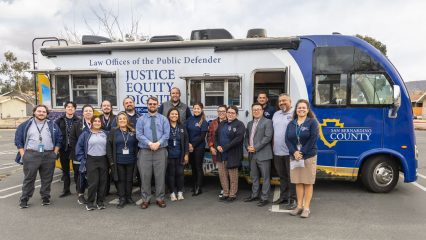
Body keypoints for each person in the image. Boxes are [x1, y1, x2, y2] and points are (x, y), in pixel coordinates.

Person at [15, 105, 62, 208]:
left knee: (47, 178)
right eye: (39, 111)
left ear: (47, 114)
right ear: (34, 112)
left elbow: (59, 139)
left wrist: (55, 153)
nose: (41, 113)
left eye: (44, 112)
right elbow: (18, 140)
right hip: (31, 154)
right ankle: (24, 199)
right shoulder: (25, 125)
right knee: (29, 178)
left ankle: (45, 197)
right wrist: (24, 154)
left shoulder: (52, 125)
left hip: (49, 155)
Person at [285, 99, 319, 218]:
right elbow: (287, 139)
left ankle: (306, 208)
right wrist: (294, 152)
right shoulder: (291, 123)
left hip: (308, 156)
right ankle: (299, 206)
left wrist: (302, 152)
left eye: (304, 108)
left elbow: (313, 139)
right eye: (299, 108)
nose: (301, 109)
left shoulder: (312, 122)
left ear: (308, 110)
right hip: (295, 157)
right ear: (296, 110)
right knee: (298, 182)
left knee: (308, 182)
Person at [136, 97, 170, 209]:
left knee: (160, 176)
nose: (152, 105)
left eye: (154, 104)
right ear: (147, 105)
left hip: (160, 151)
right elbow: (139, 134)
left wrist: (158, 143)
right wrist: (150, 143)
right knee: (145, 176)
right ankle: (146, 199)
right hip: (145, 151)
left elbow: (166, 134)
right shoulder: (141, 119)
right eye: (150, 104)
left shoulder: (163, 119)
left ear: (158, 105)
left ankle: (160, 198)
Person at [75, 116, 109, 211]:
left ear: (101, 123)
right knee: (93, 183)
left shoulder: (105, 133)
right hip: (91, 160)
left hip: (103, 159)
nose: (97, 123)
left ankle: (100, 202)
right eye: (95, 121)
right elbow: (79, 147)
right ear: (92, 123)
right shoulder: (85, 134)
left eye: (99, 121)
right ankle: (90, 203)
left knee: (103, 182)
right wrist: (82, 159)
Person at [243, 102, 273, 207]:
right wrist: (247, 147)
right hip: (252, 154)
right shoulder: (250, 123)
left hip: (263, 154)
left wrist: (255, 147)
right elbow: (246, 137)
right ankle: (254, 195)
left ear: (262, 111)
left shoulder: (268, 122)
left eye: (258, 109)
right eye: (254, 110)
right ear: (252, 111)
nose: (256, 111)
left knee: (265, 177)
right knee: (254, 176)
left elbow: (267, 138)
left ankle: (264, 198)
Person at [107, 112, 138, 209]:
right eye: (120, 119)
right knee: (120, 180)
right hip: (118, 161)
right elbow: (109, 147)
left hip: (131, 160)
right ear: (117, 121)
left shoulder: (132, 131)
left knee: (129, 180)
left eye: (124, 118)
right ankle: (122, 198)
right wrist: (111, 161)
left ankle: (128, 197)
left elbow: (136, 145)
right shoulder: (113, 131)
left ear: (127, 120)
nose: (122, 120)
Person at [215, 105, 245, 202]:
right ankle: (225, 192)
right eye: (229, 112)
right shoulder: (222, 123)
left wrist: (225, 147)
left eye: (233, 113)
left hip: (232, 154)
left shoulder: (240, 124)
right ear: (226, 113)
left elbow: (238, 139)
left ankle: (232, 194)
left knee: (233, 175)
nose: (230, 114)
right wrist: (217, 145)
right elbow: (216, 136)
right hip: (221, 154)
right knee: (222, 175)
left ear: (236, 114)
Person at [272, 94, 296, 209]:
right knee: (282, 176)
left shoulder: (294, 114)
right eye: (280, 101)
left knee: (291, 177)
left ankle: (293, 200)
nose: (282, 103)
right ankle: (283, 197)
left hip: (290, 152)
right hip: (277, 152)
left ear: (290, 101)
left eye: (284, 100)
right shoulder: (276, 114)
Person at [69, 104, 94, 205]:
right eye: (86, 111)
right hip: (79, 155)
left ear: (93, 113)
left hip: (93, 155)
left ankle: (92, 194)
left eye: (90, 111)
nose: (88, 112)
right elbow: (72, 140)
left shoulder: (96, 123)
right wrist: (79, 154)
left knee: (91, 175)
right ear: (83, 113)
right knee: (80, 175)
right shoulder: (76, 124)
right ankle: (80, 195)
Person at [55, 101, 80, 198]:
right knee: (65, 171)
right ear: (65, 109)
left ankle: (79, 190)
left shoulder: (78, 120)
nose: (70, 108)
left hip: (75, 150)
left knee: (77, 171)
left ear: (74, 109)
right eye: (68, 107)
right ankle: (66, 190)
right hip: (63, 149)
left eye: (72, 107)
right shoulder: (59, 121)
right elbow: (55, 134)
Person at [166, 108, 189, 201]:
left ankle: (180, 192)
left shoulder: (182, 127)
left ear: (178, 116)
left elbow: (186, 140)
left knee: (180, 174)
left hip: (180, 154)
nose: (174, 115)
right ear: (168, 115)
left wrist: (186, 154)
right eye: (172, 114)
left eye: (176, 114)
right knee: (171, 174)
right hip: (169, 155)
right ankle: (172, 193)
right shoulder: (166, 126)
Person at [186, 102, 208, 196]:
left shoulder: (203, 121)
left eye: (198, 108)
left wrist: (192, 145)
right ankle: (194, 185)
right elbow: (185, 133)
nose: (196, 110)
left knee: (198, 167)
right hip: (190, 147)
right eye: (195, 108)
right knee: (193, 167)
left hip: (198, 147)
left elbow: (202, 137)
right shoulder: (189, 119)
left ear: (201, 109)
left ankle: (199, 187)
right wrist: (188, 144)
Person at [207, 105, 227, 198]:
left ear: (226, 112)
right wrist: (211, 147)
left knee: (228, 170)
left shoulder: (230, 121)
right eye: (219, 111)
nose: (221, 113)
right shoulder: (213, 123)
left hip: (228, 150)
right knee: (221, 171)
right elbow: (209, 136)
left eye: (223, 111)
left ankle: (230, 189)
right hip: (216, 150)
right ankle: (223, 189)